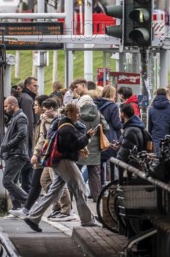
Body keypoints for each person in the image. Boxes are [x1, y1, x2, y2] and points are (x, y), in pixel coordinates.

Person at [24, 104, 98, 232]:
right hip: (65, 162)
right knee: (79, 187)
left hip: (58, 162)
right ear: (69, 113)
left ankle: (33, 217)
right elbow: (73, 145)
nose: (79, 115)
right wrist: (87, 137)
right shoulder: (67, 128)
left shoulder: (61, 124)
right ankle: (87, 220)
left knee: (54, 192)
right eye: (77, 112)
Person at [8, 96, 54, 219]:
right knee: (36, 184)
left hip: (43, 157)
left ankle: (62, 209)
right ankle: (28, 209)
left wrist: (35, 153)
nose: (34, 107)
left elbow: (44, 139)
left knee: (48, 184)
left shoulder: (46, 121)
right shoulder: (40, 120)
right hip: (41, 157)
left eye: (36, 105)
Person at [0, 96, 29, 217]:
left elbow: (22, 133)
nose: (5, 109)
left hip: (16, 154)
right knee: (14, 182)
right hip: (13, 153)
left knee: (7, 181)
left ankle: (29, 203)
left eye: (6, 106)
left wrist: (7, 146)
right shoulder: (15, 117)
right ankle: (17, 208)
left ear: (13, 104)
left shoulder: (20, 117)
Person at [76, 95, 107, 202]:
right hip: (95, 148)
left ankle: (74, 195)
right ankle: (96, 196)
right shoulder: (98, 114)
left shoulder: (78, 114)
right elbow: (106, 127)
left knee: (75, 172)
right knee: (94, 174)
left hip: (80, 145)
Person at [93, 85, 123, 184]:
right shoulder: (113, 106)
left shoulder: (96, 104)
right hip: (110, 136)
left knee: (99, 163)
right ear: (112, 94)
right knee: (112, 162)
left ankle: (99, 186)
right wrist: (123, 122)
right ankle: (116, 184)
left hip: (98, 134)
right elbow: (116, 124)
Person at [17, 77, 38, 194]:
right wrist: (31, 142)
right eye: (35, 86)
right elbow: (29, 123)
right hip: (27, 141)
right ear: (28, 86)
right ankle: (27, 196)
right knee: (27, 169)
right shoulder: (27, 99)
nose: (36, 88)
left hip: (25, 141)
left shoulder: (26, 98)